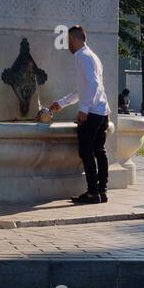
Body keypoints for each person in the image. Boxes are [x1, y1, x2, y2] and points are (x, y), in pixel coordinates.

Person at [49, 25, 110, 205]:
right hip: (101, 111)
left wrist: (83, 109)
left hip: (91, 113)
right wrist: (61, 103)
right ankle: (101, 190)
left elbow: (93, 86)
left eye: (68, 41)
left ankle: (93, 192)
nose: (67, 44)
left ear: (75, 39)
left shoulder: (83, 57)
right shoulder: (91, 56)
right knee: (99, 151)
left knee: (86, 151)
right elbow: (85, 89)